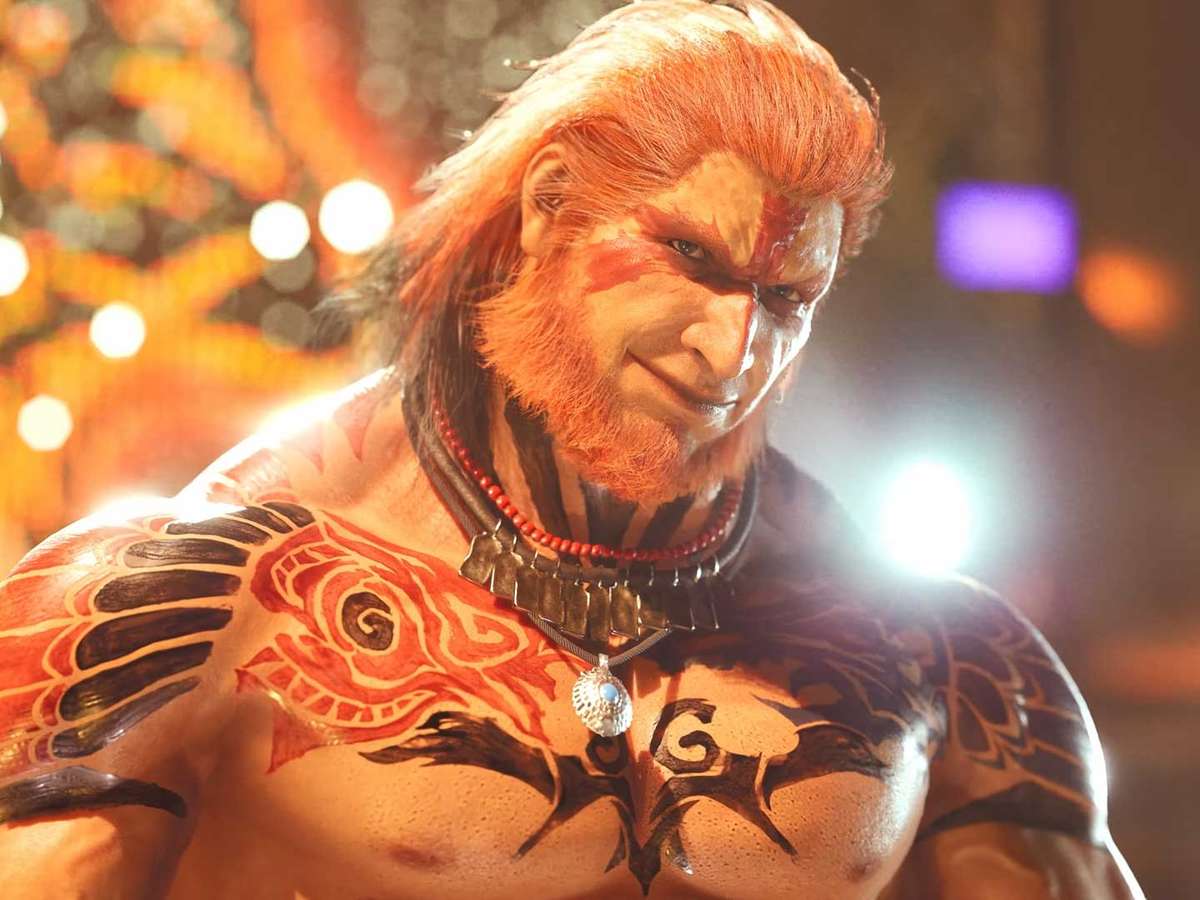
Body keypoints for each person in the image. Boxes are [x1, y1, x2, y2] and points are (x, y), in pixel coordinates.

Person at [0, 1, 1143, 897]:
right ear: (549, 208)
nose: (734, 349)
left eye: (786, 298)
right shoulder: (180, 603)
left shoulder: (942, 653)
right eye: (693, 259)